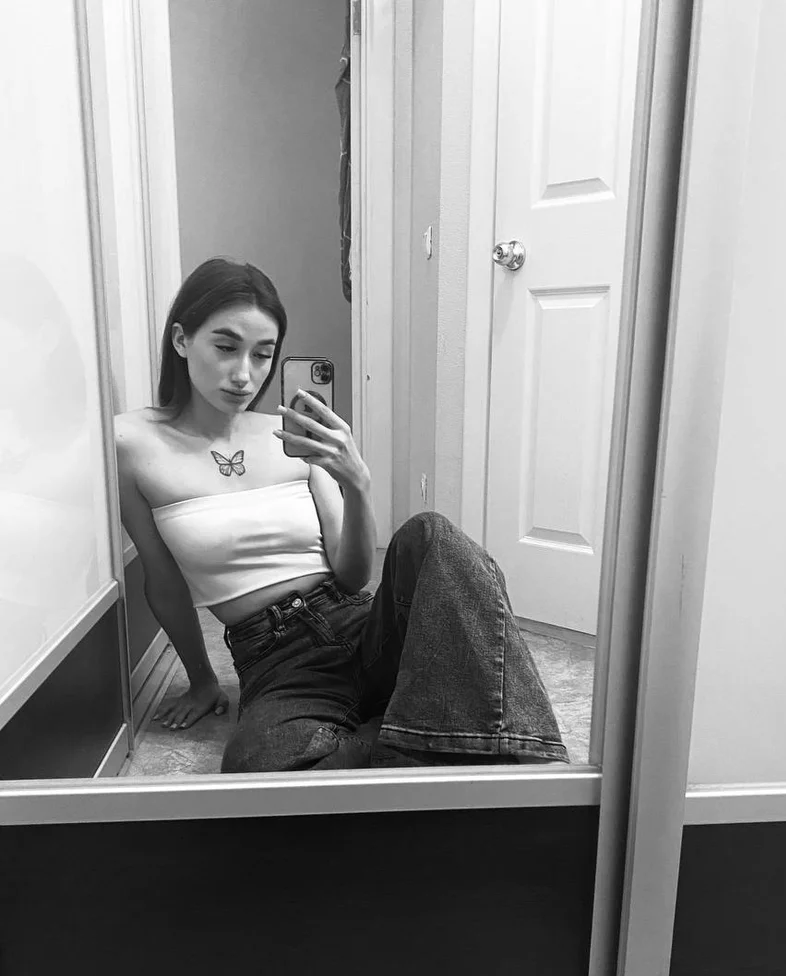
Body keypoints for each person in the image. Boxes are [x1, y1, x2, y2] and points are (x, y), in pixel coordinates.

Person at [115, 258, 568, 772]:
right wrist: (201, 679)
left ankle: (519, 762)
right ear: (181, 340)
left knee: (433, 535)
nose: (244, 374)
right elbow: (163, 580)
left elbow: (352, 576)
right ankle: (431, 730)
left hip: (362, 626)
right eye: (225, 347)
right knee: (259, 768)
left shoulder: (293, 435)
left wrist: (357, 483)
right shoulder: (132, 444)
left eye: (262, 355)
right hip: (279, 663)